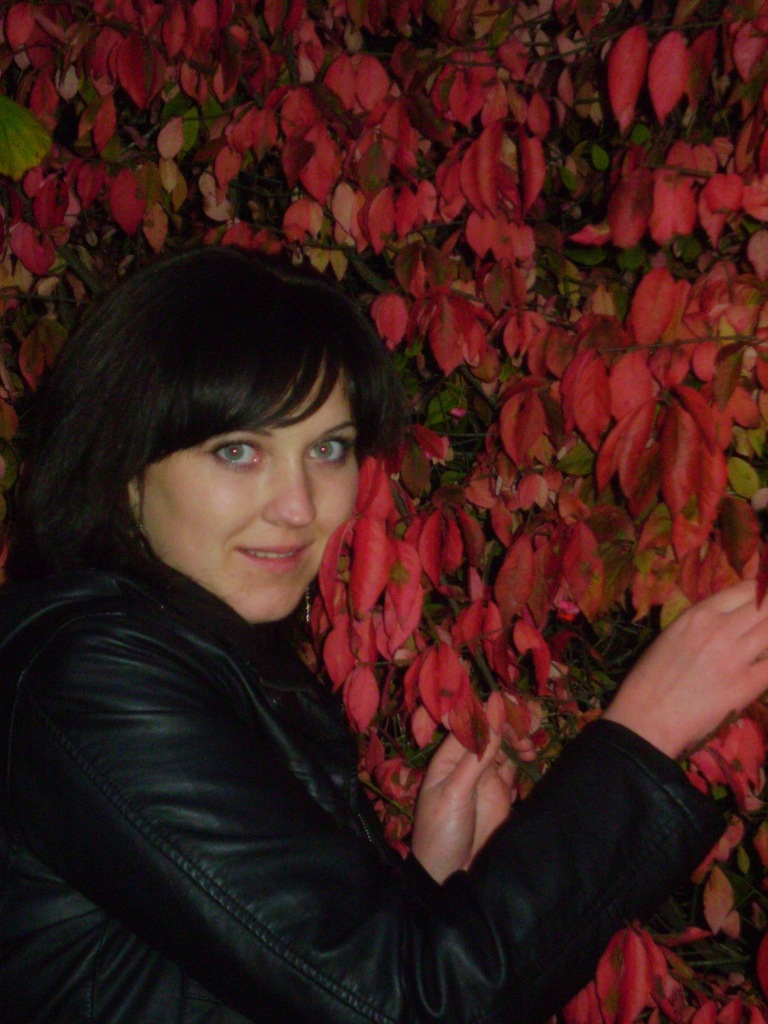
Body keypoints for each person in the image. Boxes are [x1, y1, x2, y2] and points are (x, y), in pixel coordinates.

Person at [0, 245, 766, 1024]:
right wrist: (644, 735)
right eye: (238, 452)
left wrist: (427, 880)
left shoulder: (208, 659)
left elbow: (277, 973)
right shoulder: (90, 681)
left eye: (328, 449)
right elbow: (403, 1004)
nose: (299, 507)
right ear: (125, 470)